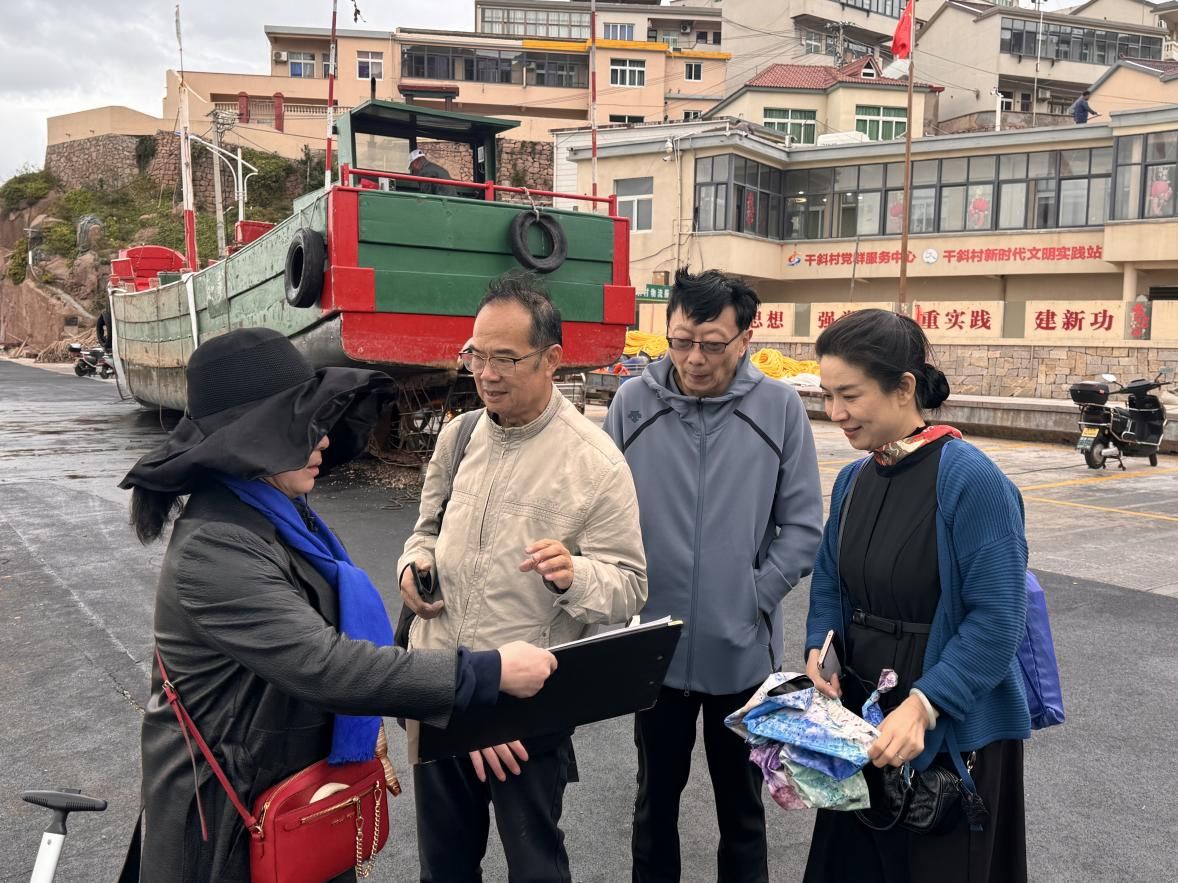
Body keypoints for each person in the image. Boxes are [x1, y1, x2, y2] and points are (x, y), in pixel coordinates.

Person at [119, 328, 558, 883]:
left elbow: (348, 653)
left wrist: (462, 706)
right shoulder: (216, 547)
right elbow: (328, 666)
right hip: (226, 827)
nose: (325, 440)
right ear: (255, 440)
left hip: (289, 798)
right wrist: (489, 673)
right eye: (306, 427)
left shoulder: (276, 514)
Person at [399, 270, 648, 883]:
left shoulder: (595, 463)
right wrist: (414, 565)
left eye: (505, 359)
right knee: (443, 870)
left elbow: (629, 585)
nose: (486, 373)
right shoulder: (459, 436)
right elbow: (424, 529)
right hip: (442, 689)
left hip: (522, 709)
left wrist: (574, 576)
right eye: (475, 355)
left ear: (552, 359)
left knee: (535, 867)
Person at [605, 267, 823, 883]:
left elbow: (803, 525)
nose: (693, 359)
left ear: (745, 338)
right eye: (680, 342)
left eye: (711, 344)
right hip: (656, 649)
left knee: (742, 813)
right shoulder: (632, 403)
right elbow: (601, 512)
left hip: (742, 655)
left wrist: (752, 597)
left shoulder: (779, 408)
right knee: (654, 805)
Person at [802, 309, 1030, 883]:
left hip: (944, 720)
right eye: (827, 395)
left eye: (849, 395)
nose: (835, 413)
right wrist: (820, 650)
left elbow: (998, 619)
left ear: (904, 387)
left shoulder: (972, 481)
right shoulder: (854, 478)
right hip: (864, 717)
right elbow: (829, 580)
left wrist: (925, 705)